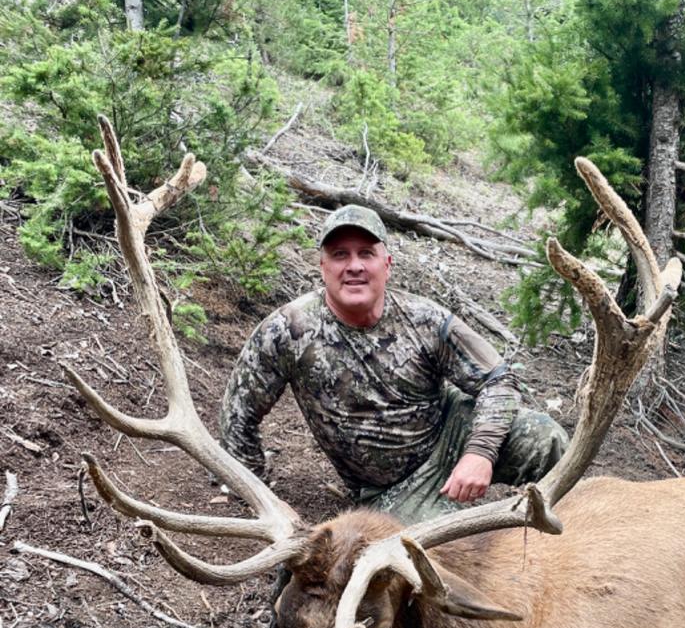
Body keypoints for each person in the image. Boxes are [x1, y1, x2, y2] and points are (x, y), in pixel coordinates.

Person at [220, 204, 568, 525]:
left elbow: (499, 380)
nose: (354, 265)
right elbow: (237, 417)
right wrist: (262, 499)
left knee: (548, 440)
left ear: (387, 265)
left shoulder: (426, 320)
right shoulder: (286, 331)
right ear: (323, 266)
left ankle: (572, 537)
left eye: (366, 254)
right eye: (340, 255)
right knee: (439, 553)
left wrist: (479, 453)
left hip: (450, 433)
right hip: (391, 487)